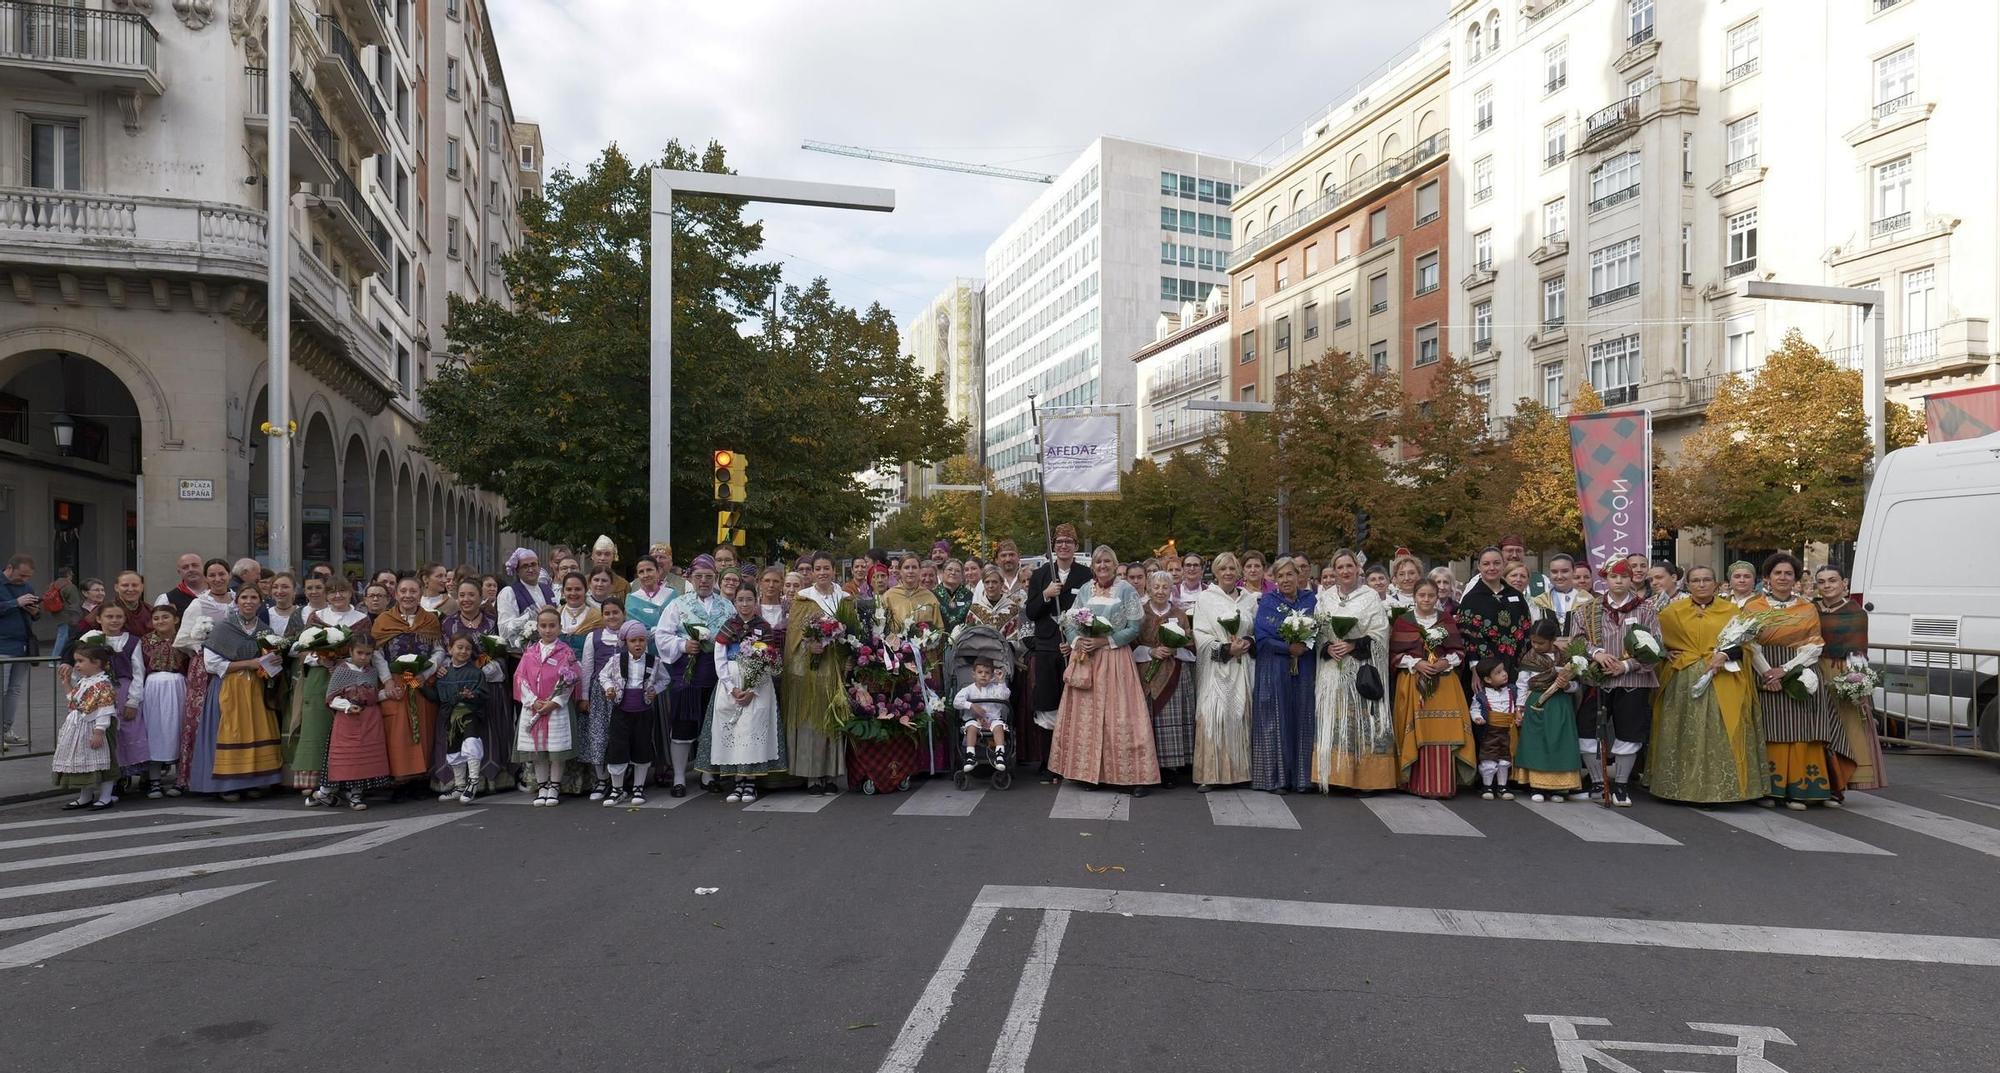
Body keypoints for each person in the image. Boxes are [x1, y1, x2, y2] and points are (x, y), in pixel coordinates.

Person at [1650, 565, 1767, 804]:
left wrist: (1724, 655)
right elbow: (1656, 639)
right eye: (1695, 580)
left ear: (1716, 583)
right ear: (1687, 584)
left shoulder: (1732, 611)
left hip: (1722, 678)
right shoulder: (1672, 611)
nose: (1701, 584)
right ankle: (1677, 789)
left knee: (1723, 730)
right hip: (1683, 679)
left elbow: (1745, 644)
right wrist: (1664, 653)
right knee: (1683, 732)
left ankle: (1726, 790)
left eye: (1706, 580)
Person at [1047, 544, 1159, 794]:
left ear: (1114, 563)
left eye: (1107, 561)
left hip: (1115, 658)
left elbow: (1134, 627)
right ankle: (1089, 773)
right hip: (1087, 659)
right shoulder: (1086, 589)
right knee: (1089, 717)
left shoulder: (1126, 590)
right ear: (1093, 566)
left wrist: (1103, 640)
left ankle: (1133, 775)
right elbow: (1071, 621)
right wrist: (1079, 641)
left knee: (1121, 717)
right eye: (1098, 562)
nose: (1103, 566)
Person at [1747, 553, 1854, 810]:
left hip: (1801, 669)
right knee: (1772, 729)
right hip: (1763, 669)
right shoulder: (1753, 607)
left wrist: (1784, 670)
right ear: (1767, 579)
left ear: (1796, 579)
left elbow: (1814, 644)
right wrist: (1766, 673)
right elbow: (1748, 642)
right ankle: (1770, 790)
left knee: (1806, 728)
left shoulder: (1807, 608)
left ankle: (1806, 789)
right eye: (1778, 573)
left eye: (1788, 574)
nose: (1783, 578)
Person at [190, 585, 285, 800]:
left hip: (256, 689)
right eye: (244, 597)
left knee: (257, 729)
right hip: (229, 686)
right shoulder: (224, 628)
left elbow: (268, 664)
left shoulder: (265, 631)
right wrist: (249, 663)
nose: (249, 601)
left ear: (260, 603)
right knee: (230, 731)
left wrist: (273, 662)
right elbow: (211, 664)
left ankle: (254, 781)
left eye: (254, 597)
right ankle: (228, 784)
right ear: (237, 602)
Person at [1311, 550, 1395, 792]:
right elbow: (1317, 634)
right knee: (1335, 722)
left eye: (1350, 566)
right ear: (1333, 570)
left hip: (1360, 668)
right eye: (1340, 567)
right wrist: (1327, 648)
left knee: (1362, 721)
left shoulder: (1370, 597)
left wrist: (1354, 644)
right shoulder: (1325, 598)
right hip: (1332, 671)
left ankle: (1366, 779)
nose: (1345, 571)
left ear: (1358, 569)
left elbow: (1380, 635)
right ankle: (1337, 776)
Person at [1580, 560, 1661, 807]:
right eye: (1613, 577)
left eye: (1624, 577)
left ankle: (1622, 785)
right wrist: (1597, 654)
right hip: (1597, 678)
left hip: (1633, 679)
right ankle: (1597, 782)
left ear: (1632, 579)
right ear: (1605, 579)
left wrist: (1626, 665)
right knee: (1587, 729)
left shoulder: (1646, 609)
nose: (1619, 581)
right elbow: (1577, 639)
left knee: (1630, 730)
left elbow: (1656, 645)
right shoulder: (1589, 609)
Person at [698, 585, 787, 802]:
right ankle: (737, 781)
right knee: (734, 732)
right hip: (731, 686)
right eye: (740, 600)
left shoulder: (764, 627)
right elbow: (719, 659)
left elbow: (768, 659)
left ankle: (750, 782)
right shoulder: (728, 626)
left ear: (755, 601)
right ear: (735, 602)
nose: (744, 604)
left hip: (757, 688)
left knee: (751, 731)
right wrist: (731, 687)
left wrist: (752, 689)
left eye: (749, 600)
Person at [1390, 579, 1476, 797]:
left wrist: (1445, 662)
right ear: (1415, 597)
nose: (1426, 599)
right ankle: (1415, 783)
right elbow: (1394, 655)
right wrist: (1416, 662)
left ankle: (1442, 784)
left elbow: (1458, 651)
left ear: (1437, 597)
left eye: (1430, 595)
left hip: (1444, 683)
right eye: (1422, 595)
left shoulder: (1445, 619)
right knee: (1417, 730)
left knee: (1444, 730)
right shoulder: (1404, 622)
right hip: (1412, 681)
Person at [655, 555, 729, 797]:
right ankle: (679, 777)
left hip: (716, 674)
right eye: (699, 577)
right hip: (686, 674)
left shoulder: (726, 606)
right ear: (690, 578)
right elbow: (662, 636)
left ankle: (707, 774)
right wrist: (682, 644)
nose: (704, 581)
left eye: (709, 577)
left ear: (715, 579)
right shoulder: (678, 605)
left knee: (712, 726)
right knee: (683, 725)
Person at [785, 552, 855, 796]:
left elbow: (853, 634)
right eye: (818, 568)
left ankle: (832, 773)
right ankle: (813, 775)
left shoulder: (845, 599)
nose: (823, 572)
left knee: (833, 720)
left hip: (836, 666)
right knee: (811, 721)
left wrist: (848, 656)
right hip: (810, 669)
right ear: (812, 573)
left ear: (834, 571)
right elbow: (793, 636)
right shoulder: (803, 599)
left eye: (827, 567)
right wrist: (808, 645)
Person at [1023, 524, 1092, 769]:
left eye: (1069, 542)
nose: (1064, 546)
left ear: (1075, 546)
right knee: (1047, 704)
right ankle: (1048, 760)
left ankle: (1074, 760)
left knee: (1075, 705)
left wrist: (1074, 643)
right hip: (1046, 647)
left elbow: (1090, 613)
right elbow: (1031, 612)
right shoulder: (1042, 575)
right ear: (1053, 545)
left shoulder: (1086, 575)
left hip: (1075, 649)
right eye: (1059, 541)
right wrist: (1046, 594)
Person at [1813, 563, 1886, 791]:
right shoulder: (1811, 609)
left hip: (1843, 670)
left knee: (1847, 724)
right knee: (1819, 726)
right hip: (1813, 669)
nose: (1827, 585)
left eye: (1832, 580)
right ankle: (1822, 777)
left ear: (1844, 583)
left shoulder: (1855, 613)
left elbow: (1857, 650)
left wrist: (1856, 679)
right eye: (1822, 582)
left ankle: (1846, 776)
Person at [1190, 552, 1258, 792]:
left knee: (1240, 715)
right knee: (1214, 716)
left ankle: (1242, 772)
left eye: (1232, 568)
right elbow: (1200, 633)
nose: (1228, 572)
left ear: (1238, 572)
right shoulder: (1206, 599)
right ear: (1216, 573)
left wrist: (1247, 642)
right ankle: (1210, 773)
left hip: (1243, 667)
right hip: (1217, 667)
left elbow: (1256, 628)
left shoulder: (1249, 599)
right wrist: (1227, 649)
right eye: (1223, 569)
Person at [1250, 558, 1316, 794]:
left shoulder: (1310, 600)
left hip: (1304, 664)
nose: (1286, 580)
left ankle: (1303, 778)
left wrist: (1304, 644)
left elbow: (1320, 628)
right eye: (1281, 576)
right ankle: (1276, 778)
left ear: (1299, 575)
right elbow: (1262, 635)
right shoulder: (1269, 602)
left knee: (1303, 715)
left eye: (1290, 574)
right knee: (1277, 718)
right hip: (1275, 665)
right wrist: (1287, 647)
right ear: (1274, 579)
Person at [374, 576, 443, 796]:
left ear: (420, 593)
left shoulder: (430, 620)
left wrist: (425, 673)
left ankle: (422, 778)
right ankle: (399, 779)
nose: (408, 595)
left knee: (424, 728)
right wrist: (387, 681)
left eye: (412, 591)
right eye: (403, 591)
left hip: (420, 682)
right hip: (396, 682)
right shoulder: (384, 620)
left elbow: (439, 650)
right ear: (396, 594)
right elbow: (377, 653)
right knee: (398, 731)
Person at [1134, 569, 1197, 787]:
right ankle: (1150, 765)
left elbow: (1189, 641)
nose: (1160, 591)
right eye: (1156, 587)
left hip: (1174, 671)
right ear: (1149, 589)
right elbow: (1131, 644)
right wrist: (1151, 652)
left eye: (1165, 587)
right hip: (1147, 671)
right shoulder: (1140, 613)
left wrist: (1173, 649)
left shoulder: (1179, 614)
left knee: (1171, 719)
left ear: (1171, 590)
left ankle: (1171, 767)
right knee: (1150, 716)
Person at [515, 606, 581, 807]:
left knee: (555, 751)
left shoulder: (566, 652)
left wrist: (554, 702)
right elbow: (520, 677)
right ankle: (542, 785)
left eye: (552, 626)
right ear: (538, 628)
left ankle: (554, 786)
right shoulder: (530, 653)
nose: (547, 630)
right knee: (538, 751)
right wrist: (533, 700)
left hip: (555, 708)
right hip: (533, 707)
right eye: (543, 626)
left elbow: (570, 678)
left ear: (560, 628)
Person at [598, 620, 666, 805]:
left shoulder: (654, 661)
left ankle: (638, 787)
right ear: (625, 642)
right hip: (621, 711)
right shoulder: (616, 660)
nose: (638, 644)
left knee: (642, 747)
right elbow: (603, 676)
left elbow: (665, 680)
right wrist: (609, 687)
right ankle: (617, 789)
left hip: (643, 712)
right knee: (617, 748)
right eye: (633, 640)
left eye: (642, 640)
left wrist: (654, 691)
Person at [1515, 619, 1582, 802]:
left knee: (1559, 741)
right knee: (1537, 743)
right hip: (1537, 703)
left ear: (1553, 640)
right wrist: (1519, 708)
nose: (1536, 646)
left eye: (1541, 643)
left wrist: (1567, 685)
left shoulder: (1566, 658)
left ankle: (1558, 788)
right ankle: (1537, 786)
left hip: (1560, 704)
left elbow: (1577, 686)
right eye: (1533, 642)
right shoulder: (1529, 659)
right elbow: (1522, 685)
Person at [324, 632, 391, 811]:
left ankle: (356, 793)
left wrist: (389, 693)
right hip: (348, 720)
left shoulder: (371, 672)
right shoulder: (342, 670)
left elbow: (374, 696)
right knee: (348, 758)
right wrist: (347, 706)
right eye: (360, 653)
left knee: (364, 759)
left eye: (368, 654)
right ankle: (326, 792)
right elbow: (331, 698)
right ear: (351, 651)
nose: (363, 657)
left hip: (370, 719)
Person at [425, 634, 494, 805]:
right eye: (459, 647)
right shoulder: (445, 673)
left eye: (468, 648)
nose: (464, 651)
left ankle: (473, 782)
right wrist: (417, 685)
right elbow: (437, 697)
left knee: (471, 743)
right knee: (453, 750)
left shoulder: (476, 673)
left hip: (469, 714)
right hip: (450, 717)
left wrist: (472, 695)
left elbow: (484, 694)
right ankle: (459, 785)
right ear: (450, 649)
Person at [53, 643, 119, 809]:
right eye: (76, 661)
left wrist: (99, 732)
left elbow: (105, 710)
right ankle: (85, 796)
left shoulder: (103, 684)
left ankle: (106, 797)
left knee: (105, 761)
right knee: (84, 760)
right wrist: (66, 682)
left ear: (96, 662)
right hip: (81, 726)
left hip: (97, 726)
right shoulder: (85, 681)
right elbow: (74, 701)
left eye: (81, 661)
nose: (76, 665)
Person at [574, 599, 626, 800]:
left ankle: (619, 781)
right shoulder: (593, 637)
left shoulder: (630, 635)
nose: (611, 616)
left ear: (623, 613)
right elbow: (587, 668)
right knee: (598, 734)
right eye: (607, 613)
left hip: (624, 692)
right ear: (602, 616)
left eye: (615, 612)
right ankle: (601, 779)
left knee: (619, 736)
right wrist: (585, 696)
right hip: (599, 693)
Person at [1455, 547, 1532, 672]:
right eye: (1486, 564)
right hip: (1483, 671)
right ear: (1479, 567)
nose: (1492, 568)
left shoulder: (1517, 597)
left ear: (1503, 565)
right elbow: (1466, 637)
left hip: (1514, 668)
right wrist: (1475, 669)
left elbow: (1526, 630)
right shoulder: (1471, 599)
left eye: (1496, 563)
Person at [138, 604, 187, 797]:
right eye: (156, 618)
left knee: (178, 729)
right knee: (155, 730)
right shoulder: (145, 641)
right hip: (153, 688)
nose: (160, 621)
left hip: (178, 686)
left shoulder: (184, 638)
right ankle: (154, 780)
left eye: (165, 617)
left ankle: (180, 779)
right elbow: (139, 667)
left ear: (175, 619)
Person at [1, 553, 43, 747]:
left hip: (23, 645)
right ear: (9, 568)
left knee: (14, 690)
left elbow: (33, 614)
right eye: (22, 575)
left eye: (28, 577)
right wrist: (15, 603)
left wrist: (35, 612)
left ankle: (6, 730)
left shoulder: (26, 587)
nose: (25, 580)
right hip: (3, 645)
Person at [1468, 657, 1521, 800]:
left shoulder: (1512, 690)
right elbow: (1474, 709)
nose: (1504, 674)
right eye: (1498, 672)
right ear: (1488, 679)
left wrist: (1519, 714)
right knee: (1488, 758)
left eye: (1503, 670)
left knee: (1505, 758)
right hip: (1490, 732)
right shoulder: (1481, 695)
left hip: (1508, 731)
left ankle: (1503, 786)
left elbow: (1518, 706)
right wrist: (1477, 717)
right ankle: (1487, 786)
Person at [954, 658, 1011, 772]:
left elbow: (1004, 696)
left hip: (993, 719)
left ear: (991, 675)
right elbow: (956, 702)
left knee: (999, 727)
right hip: (974, 719)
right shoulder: (968, 690)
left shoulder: (995, 688)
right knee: (971, 727)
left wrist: (1001, 681)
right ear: (973, 674)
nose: (983, 675)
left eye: (987, 673)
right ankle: (971, 756)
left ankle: (999, 756)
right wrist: (971, 705)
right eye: (980, 672)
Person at [496, 547, 557, 648]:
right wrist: (533, 612)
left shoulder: (548, 589)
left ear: (539, 566)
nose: (530, 569)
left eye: (533, 564)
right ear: (517, 571)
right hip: (522, 655)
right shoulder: (509, 592)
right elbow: (504, 631)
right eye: (525, 566)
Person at [1529, 554, 1593, 635]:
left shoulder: (1588, 601)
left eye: (1565, 571)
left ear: (1573, 572)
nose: (1559, 576)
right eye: (1554, 572)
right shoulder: (1539, 601)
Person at [881, 554, 944, 636]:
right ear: (900, 570)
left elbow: (939, 628)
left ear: (919, 570)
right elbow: (882, 627)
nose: (910, 571)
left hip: (925, 647)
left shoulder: (930, 597)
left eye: (914, 567)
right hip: (896, 646)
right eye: (906, 568)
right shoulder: (889, 596)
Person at [934, 560, 973, 633]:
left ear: (962, 575)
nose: (953, 573)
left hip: (963, 640)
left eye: (957, 571)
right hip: (938, 639)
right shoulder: (933, 594)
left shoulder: (970, 596)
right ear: (943, 572)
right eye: (949, 569)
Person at [590, 535, 630, 601]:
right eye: (599, 554)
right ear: (592, 556)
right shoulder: (583, 581)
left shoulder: (623, 585)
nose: (602, 558)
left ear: (614, 556)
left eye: (607, 554)